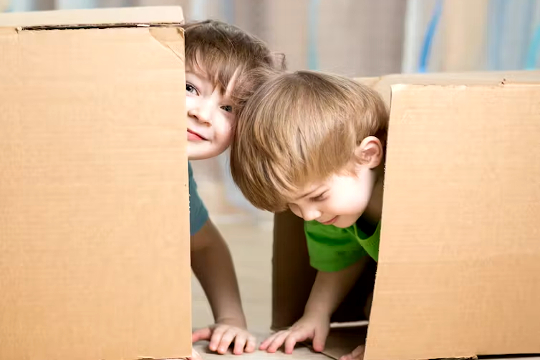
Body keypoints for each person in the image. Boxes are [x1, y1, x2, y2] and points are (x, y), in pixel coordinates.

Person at [230, 70, 388, 360]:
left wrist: (397, 338)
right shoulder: (334, 212)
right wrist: (315, 315)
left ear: (367, 155)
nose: (307, 215)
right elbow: (338, 258)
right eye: (293, 205)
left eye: (318, 196)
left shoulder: (405, 201)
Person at [181, 19, 284, 358]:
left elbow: (206, 245)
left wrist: (231, 319)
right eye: (190, 88)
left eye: (228, 108)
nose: (204, 114)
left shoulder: (178, 179)